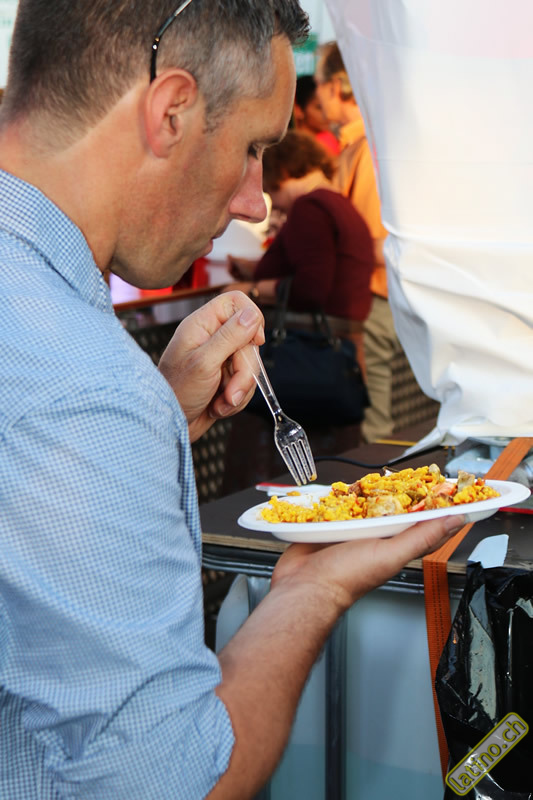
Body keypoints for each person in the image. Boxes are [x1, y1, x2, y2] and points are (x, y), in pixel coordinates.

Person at [0, 2, 464, 799]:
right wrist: (310, 590)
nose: (254, 200)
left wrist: (155, 419)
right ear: (170, 111)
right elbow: (176, 781)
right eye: (252, 147)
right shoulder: (86, 389)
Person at [224, 129, 373, 375]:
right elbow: (319, 266)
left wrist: (251, 290)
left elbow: (310, 288)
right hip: (338, 345)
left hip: (311, 348)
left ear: (281, 172)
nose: (272, 203)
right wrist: (252, 269)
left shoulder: (309, 208)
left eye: (269, 190)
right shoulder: (337, 203)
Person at [315, 41, 404, 442]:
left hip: (369, 303)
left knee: (372, 429)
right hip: (364, 302)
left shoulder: (367, 148)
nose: (316, 94)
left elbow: (372, 243)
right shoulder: (358, 145)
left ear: (337, 86)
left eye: (319, 83)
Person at [293, 74, 340, 156]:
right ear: (298, 110)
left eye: (327, 107)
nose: (327, 114)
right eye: (319, 108)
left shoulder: (328, 140)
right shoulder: (289, 147)